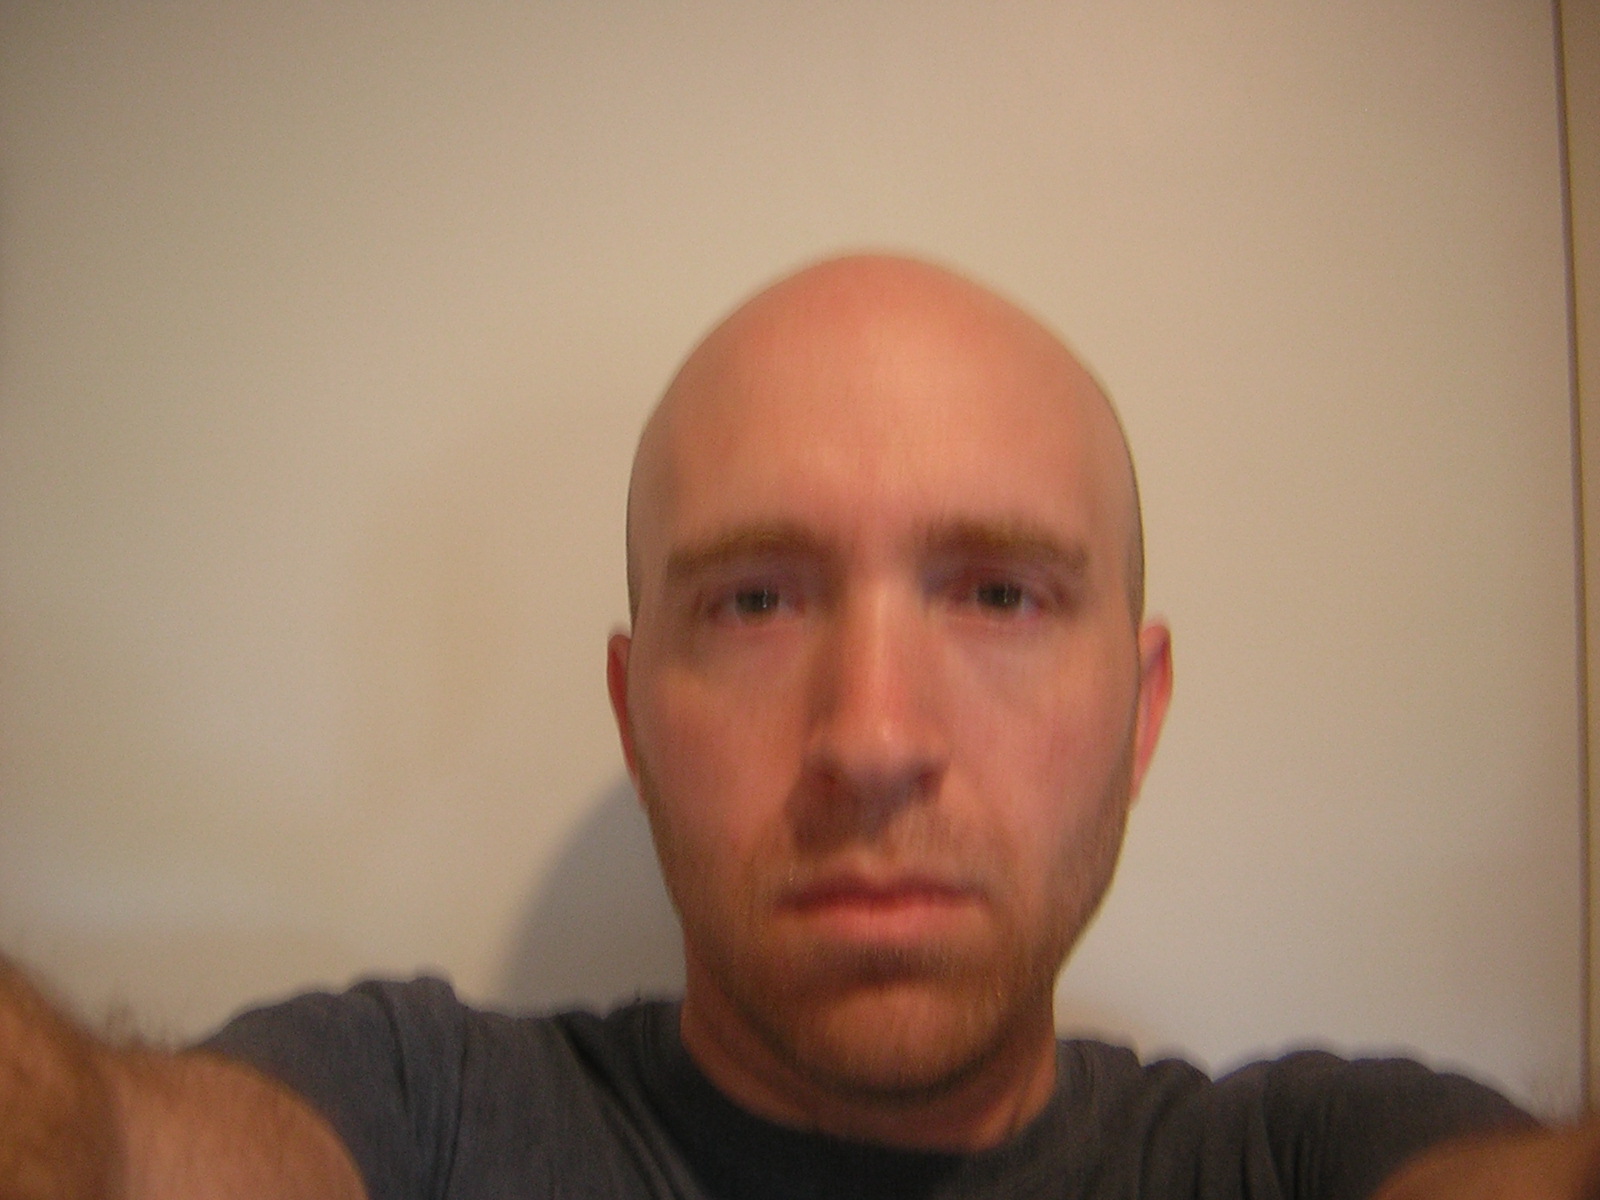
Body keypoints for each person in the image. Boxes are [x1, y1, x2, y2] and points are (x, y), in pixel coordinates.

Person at [1, 253, 1596, 1199]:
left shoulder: (1301, 1163)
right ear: (634, 717)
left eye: (1000, 595)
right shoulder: (427, 1119)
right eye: (756, 601)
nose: (874, 740)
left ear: (1143, 711)